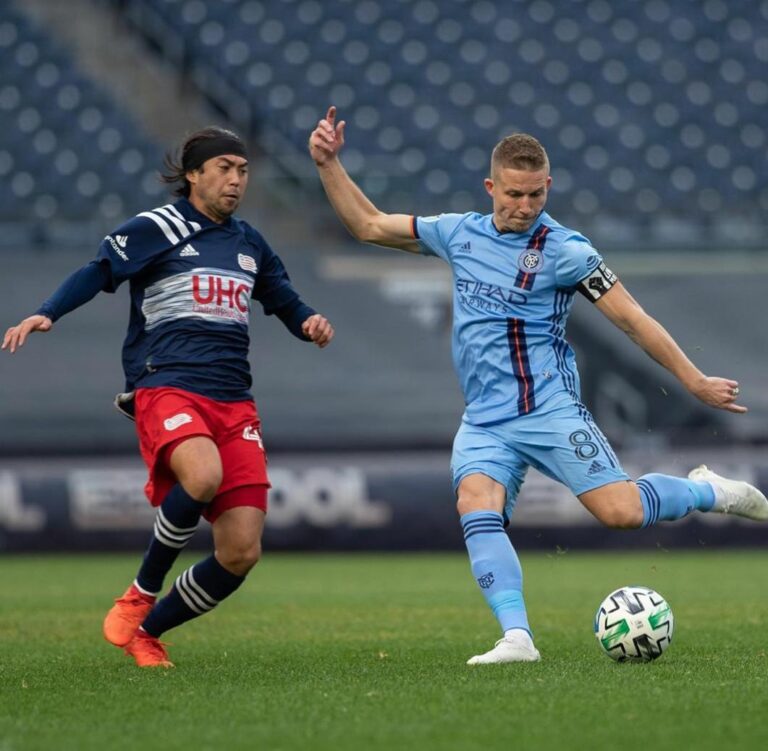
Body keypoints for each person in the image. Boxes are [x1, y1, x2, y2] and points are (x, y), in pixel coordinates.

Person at [308, 106, 768, 664]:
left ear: (547, 186)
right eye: (513, 195)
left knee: (621, 512)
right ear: (490, 186)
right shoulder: (457, 233)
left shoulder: (567, 251)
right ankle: (517, 638)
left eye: (535, 195)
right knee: (476, 503)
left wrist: (692, 380)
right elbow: (368, 225)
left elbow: (632, 319)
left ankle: (710, 491)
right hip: (484, 418)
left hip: (549, 409)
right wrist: (329, 163)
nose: (524, 207)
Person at [3, 126, 334, 668]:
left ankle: (147, 633)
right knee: (202, 476)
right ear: (193, 174)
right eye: (223, 168)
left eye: (243, 170)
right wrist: (48, 311)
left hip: (234, 400)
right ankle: (140, 592)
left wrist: (311, 324)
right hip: (167, 383)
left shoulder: (249, 243)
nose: (234, 180)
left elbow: (285, 301)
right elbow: (99, 270)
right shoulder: (159, 226)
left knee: (241, 552)